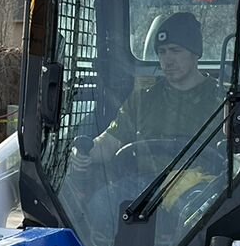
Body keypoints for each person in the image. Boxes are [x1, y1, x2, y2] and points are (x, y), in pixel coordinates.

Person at [71, 11, 224, 174]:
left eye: (175, 50)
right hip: (145, 193)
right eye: (162, 52)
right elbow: (109, 142)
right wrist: (84, 153)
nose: (168, 59)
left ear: (195, 53)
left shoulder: (223, 100)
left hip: (206, 193)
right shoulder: (142, 99)